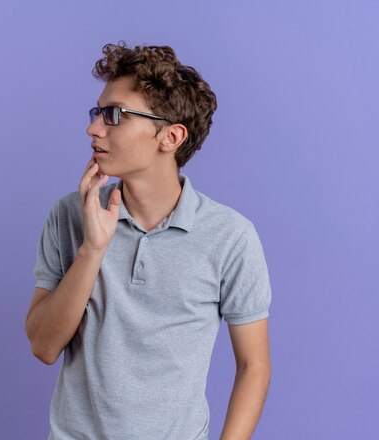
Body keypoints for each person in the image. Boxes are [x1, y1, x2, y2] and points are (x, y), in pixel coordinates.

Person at [25, 42, 272, 440]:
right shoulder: (70, 215)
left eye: (114, 115)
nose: (93, 128)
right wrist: (92, 249)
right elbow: (43, 347)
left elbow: (253, 366)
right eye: (96, 113)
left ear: (170, 136)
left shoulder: (231, 237)